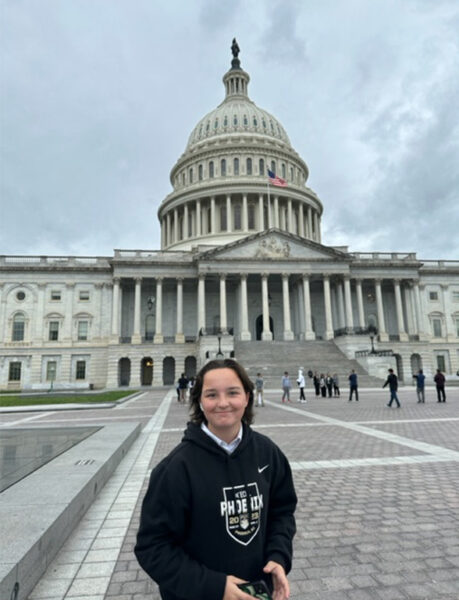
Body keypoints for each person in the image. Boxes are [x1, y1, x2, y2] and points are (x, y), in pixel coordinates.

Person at [135, 358, 297, 600]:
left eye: (233, 393)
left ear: (247, 398)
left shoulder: (268, 453)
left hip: (257, 592)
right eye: (211, 395)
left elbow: (281, 512)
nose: (223, 403)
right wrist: (213, 586)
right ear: (199, 401)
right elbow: (153, 547)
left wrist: (278, 557)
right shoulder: (175, 469)